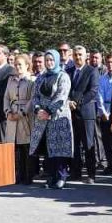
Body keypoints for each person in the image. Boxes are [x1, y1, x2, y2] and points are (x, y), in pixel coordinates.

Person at [29, 50, 73, 189]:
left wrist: (49, 111)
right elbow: (35, 95)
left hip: (58, 118)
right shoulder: (41, 77)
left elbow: (62, 96)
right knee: (48, 149)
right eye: (47, 60)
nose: (49, 63)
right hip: (43, 118)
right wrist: (38, 110)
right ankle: (51, 176)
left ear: (57, 60)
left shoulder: (63, 76)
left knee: (60, 148)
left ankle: (61, 176)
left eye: (51, 60)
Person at [2, 53, 36, 185]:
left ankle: (28, 176)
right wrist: (7, 111)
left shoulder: (32, 81)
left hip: (25, 117)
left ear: (27, 66)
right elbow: (6, 97)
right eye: (16, 65)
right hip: (12, 115)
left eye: (20, 64)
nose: (17, 67)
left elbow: (33, 99)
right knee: (14, 147)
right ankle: (16, 175)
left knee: (26, 147)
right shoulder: (11, 80)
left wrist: (21, 113)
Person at [68, 45, 100, 182]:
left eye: (80, 54)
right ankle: (75, 172)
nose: (77, 57)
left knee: (88, 145)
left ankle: (91, 174)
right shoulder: (68, 71)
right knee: (74, 144)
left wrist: (77, 102)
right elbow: (65, 88)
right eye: (75, 54)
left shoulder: (91, 71)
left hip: (86, 113)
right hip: (71, 112)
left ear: (85, 56)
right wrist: (68, 101)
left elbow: (93, 91)